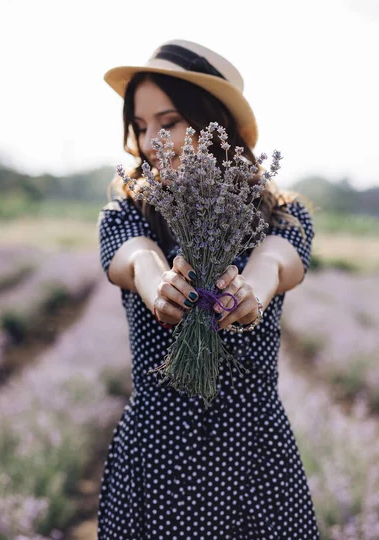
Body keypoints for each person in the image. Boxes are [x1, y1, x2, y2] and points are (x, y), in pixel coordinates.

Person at [97, 39, 320, 539]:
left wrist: (251, 294)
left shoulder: (281, 215)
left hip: (252, 460)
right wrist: (160, 288)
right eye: (140, 126)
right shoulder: (128, 212)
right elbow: (135, 259)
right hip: (158, 458)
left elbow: (277, 262)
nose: (151, 140)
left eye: (168, 122)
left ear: (212, 122)